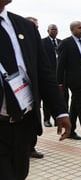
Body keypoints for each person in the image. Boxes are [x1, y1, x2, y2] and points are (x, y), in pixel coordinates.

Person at [0, 0, 71, 180]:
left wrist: (60, 111)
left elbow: (44, 73)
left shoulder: (25, 27)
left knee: (19, 175)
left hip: (23, 124)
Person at [56, 21, 81, 145]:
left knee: (75, 105)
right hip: (73, 80)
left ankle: (71, 131)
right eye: (79, 28)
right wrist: (59, 83)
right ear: (72, 29)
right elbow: (60, 65)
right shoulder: (66, 43)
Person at [25, 16, 44, 159]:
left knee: (33, 118)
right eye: (33, 26)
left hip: (34, 89)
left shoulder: (38, 45)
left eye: (37, 27)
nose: (35, 30)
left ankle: (31, 147)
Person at [41, 24, 62, 127]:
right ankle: (46, 119)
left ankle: (57, 118)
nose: (54, 31)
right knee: (48, 97)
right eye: (52, 29)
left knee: (60, 97)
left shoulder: (61, 42)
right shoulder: (43, 42)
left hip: (59, 75)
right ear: (48, 31)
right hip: (48, 74)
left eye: (56, 29)